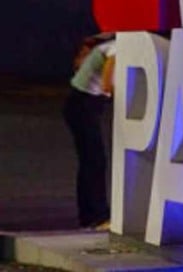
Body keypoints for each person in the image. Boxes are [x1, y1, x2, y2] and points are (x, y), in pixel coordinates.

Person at [63, 33, 116, 230]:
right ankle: (97, 216)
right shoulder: (116, 49)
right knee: (94, 162)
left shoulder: (109, 45)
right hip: (83, 105)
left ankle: (89, 215)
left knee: (91, 161)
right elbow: (107, 85)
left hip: (81, 103)